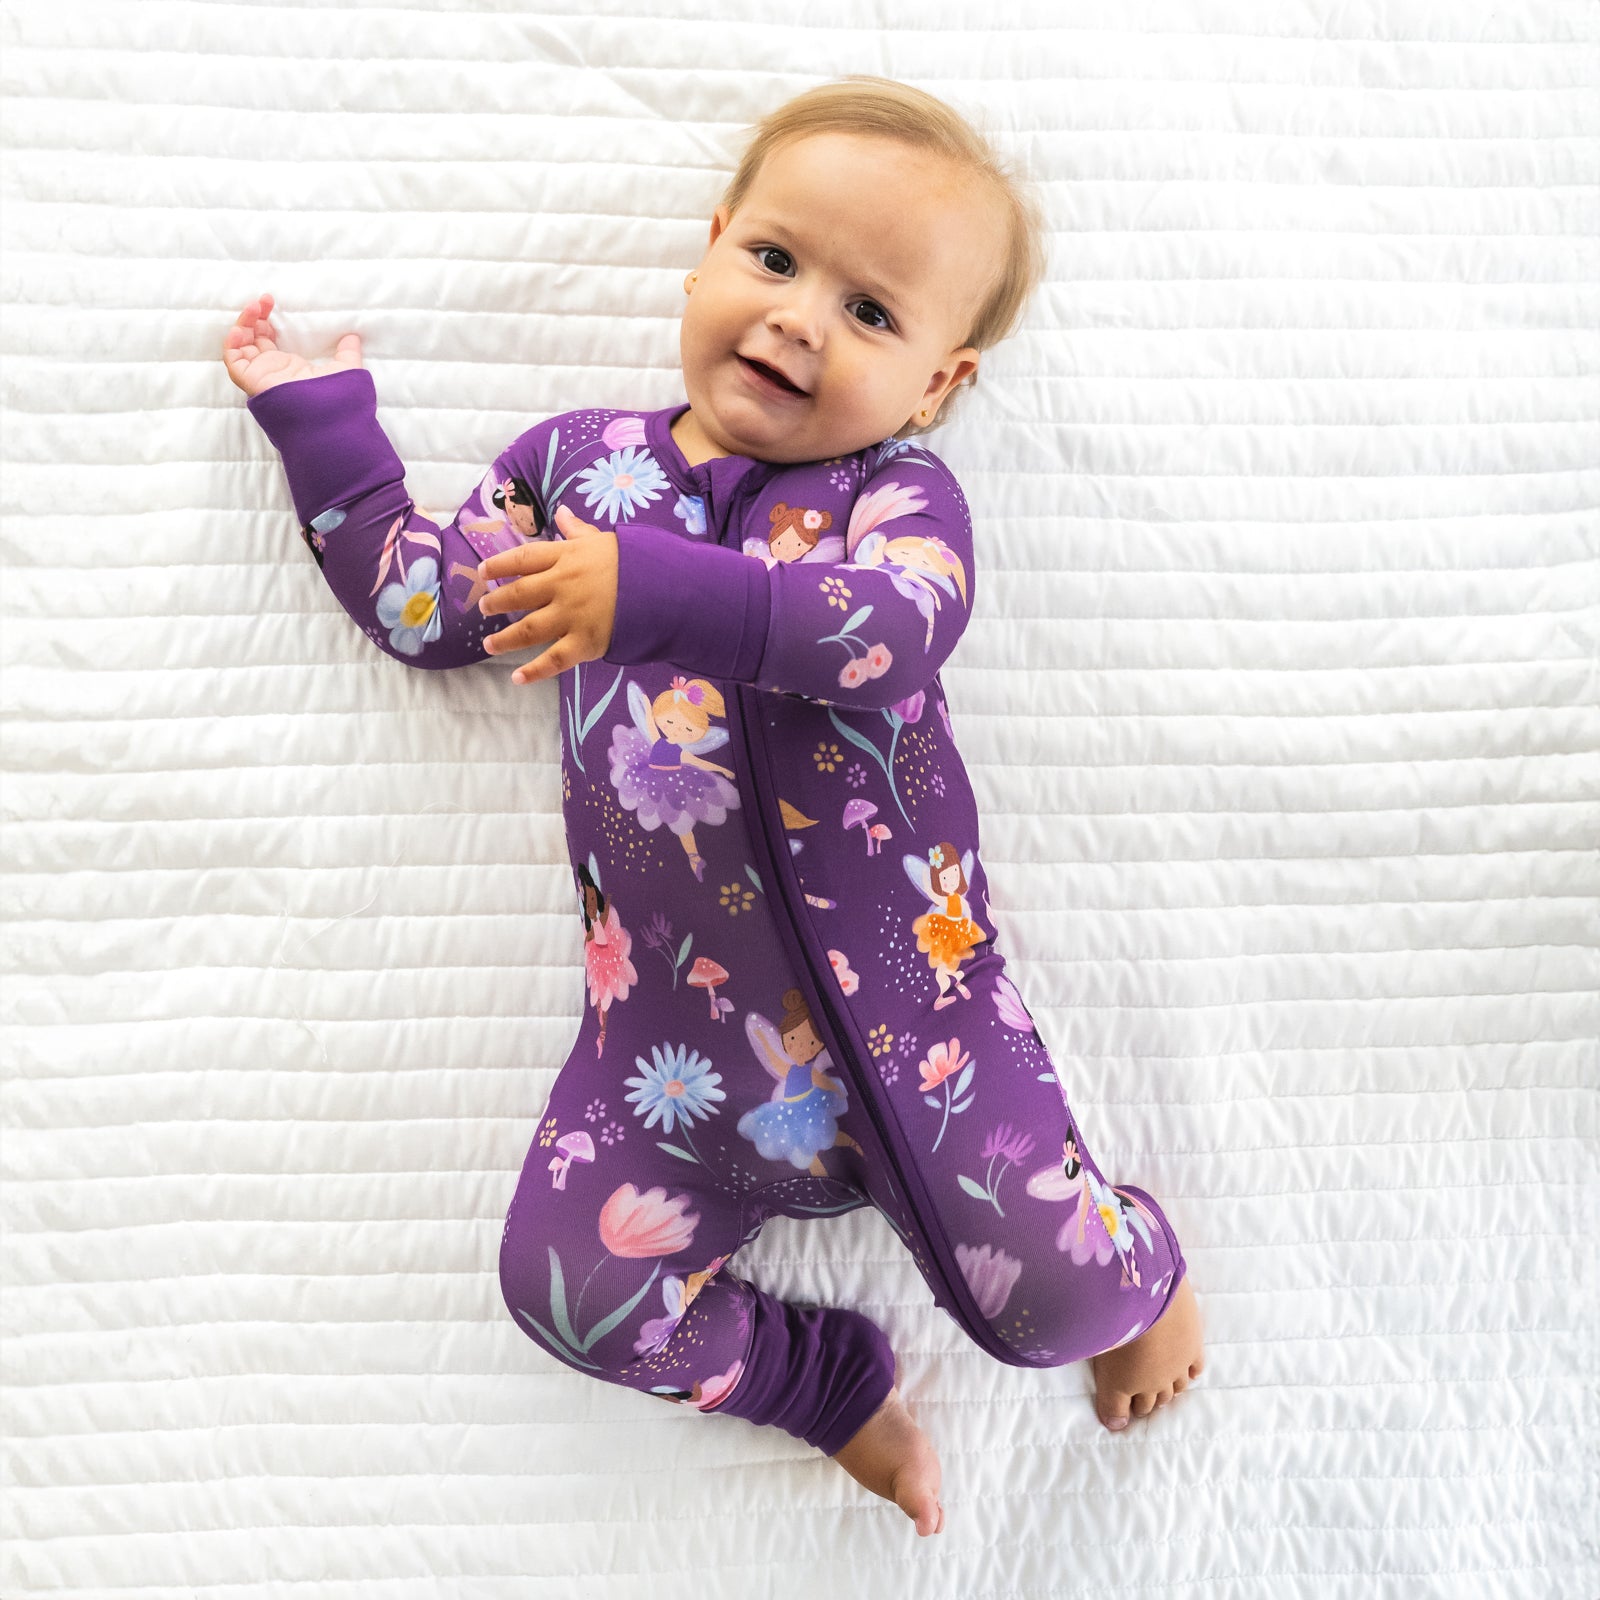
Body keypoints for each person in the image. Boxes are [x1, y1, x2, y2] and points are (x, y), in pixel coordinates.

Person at [223, 74, 1204, 1540]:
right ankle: (821, 1385)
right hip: (668, 1063)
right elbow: (428, 605)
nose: (804, 317)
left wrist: (656, 592)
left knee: (1051, 1303)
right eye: (775, 261)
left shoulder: (895, 499)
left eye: (874, 314)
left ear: (939, 384)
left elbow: (897, 629)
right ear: (710, 249)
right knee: (566, 1289)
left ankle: (1143, 1273)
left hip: (922, 1047)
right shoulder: (576, 472)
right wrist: (325, 433)